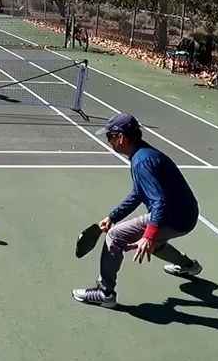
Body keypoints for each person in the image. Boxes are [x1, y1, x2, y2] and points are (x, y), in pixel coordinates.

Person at [72, 113, 204, 308]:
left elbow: (159, 201)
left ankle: (105, 292)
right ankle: (188, 266)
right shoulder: (143, 154)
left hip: (173, 217)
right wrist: (113, 216)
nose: (109, 142)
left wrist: (148, 235)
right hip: (186, 215)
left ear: (121, 137)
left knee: (115, 236)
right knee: (154, 242)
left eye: (110, 137)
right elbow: (139, 193)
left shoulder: (142, 162)